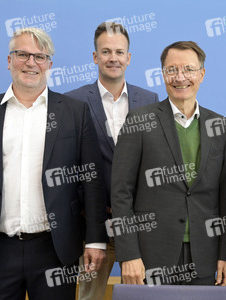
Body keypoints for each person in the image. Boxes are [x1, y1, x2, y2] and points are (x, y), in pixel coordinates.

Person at [0, 27, 107, 300]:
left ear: (49, 64)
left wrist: (96, 239)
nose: (31, 63)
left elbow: (92, 183)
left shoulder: (75, 113)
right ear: (9, 60)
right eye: (22, 54)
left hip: (55, 250)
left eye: (39, 56)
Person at [111, 41, 226, 286]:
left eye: (189, 69)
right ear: (163, 74)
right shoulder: (139, 120)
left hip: (205, 255)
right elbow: (121, 194)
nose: (180, 77)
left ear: (201, 74)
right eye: (172, 70)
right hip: (150, 257)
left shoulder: (220, 126)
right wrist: (129, 254)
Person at [65, 22, 158, 299]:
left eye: (119, 52)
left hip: (139, 226)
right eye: (106, 51)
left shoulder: (149, 100)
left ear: (129, 57)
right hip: (91, 227)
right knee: (88, 296)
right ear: (95, 57)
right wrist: (87, 208)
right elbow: (68, 165)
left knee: (144, 295)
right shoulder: (74, 102)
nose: (113, 58)